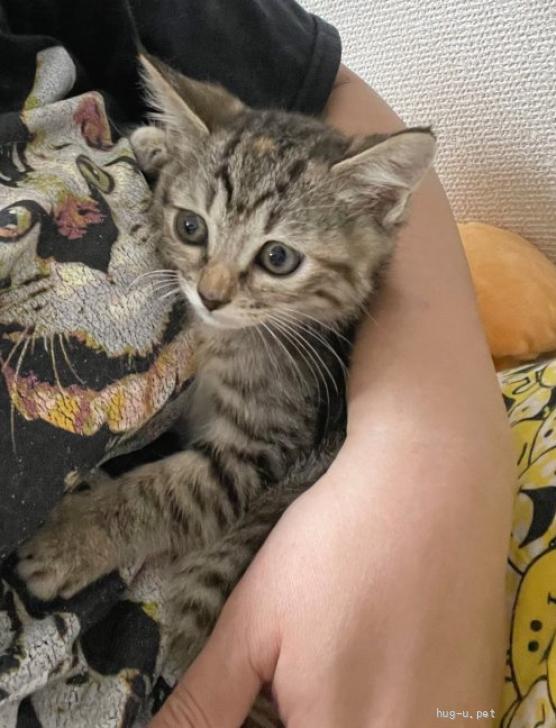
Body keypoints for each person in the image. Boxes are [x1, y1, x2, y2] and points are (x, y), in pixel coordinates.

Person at [0, 1, 515, 725]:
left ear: (376, 209)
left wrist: (102, 528)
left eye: (274, 259)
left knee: (203, 607)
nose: (213, 287)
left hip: (266, 583)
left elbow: (236, 472)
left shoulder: (292, 353)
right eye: (194, 230)